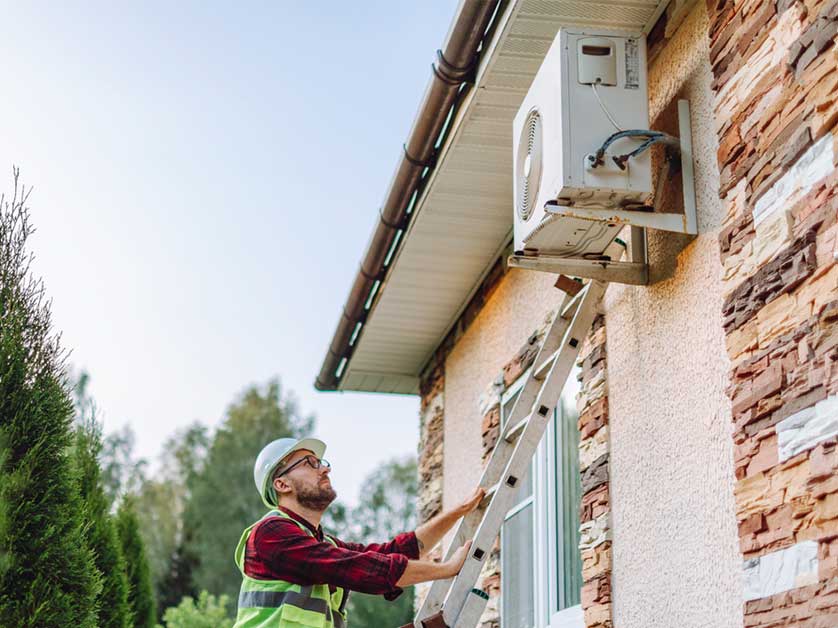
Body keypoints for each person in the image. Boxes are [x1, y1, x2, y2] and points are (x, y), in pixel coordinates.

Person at [233, 436, 485, 628]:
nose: (324, 469)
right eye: (309, 463)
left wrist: (458, 512)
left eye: (320, 462)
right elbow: (358, 567)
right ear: (281, 483)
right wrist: (447, 570)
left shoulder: (322, 541)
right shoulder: (271, 533)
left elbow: (394, 552)